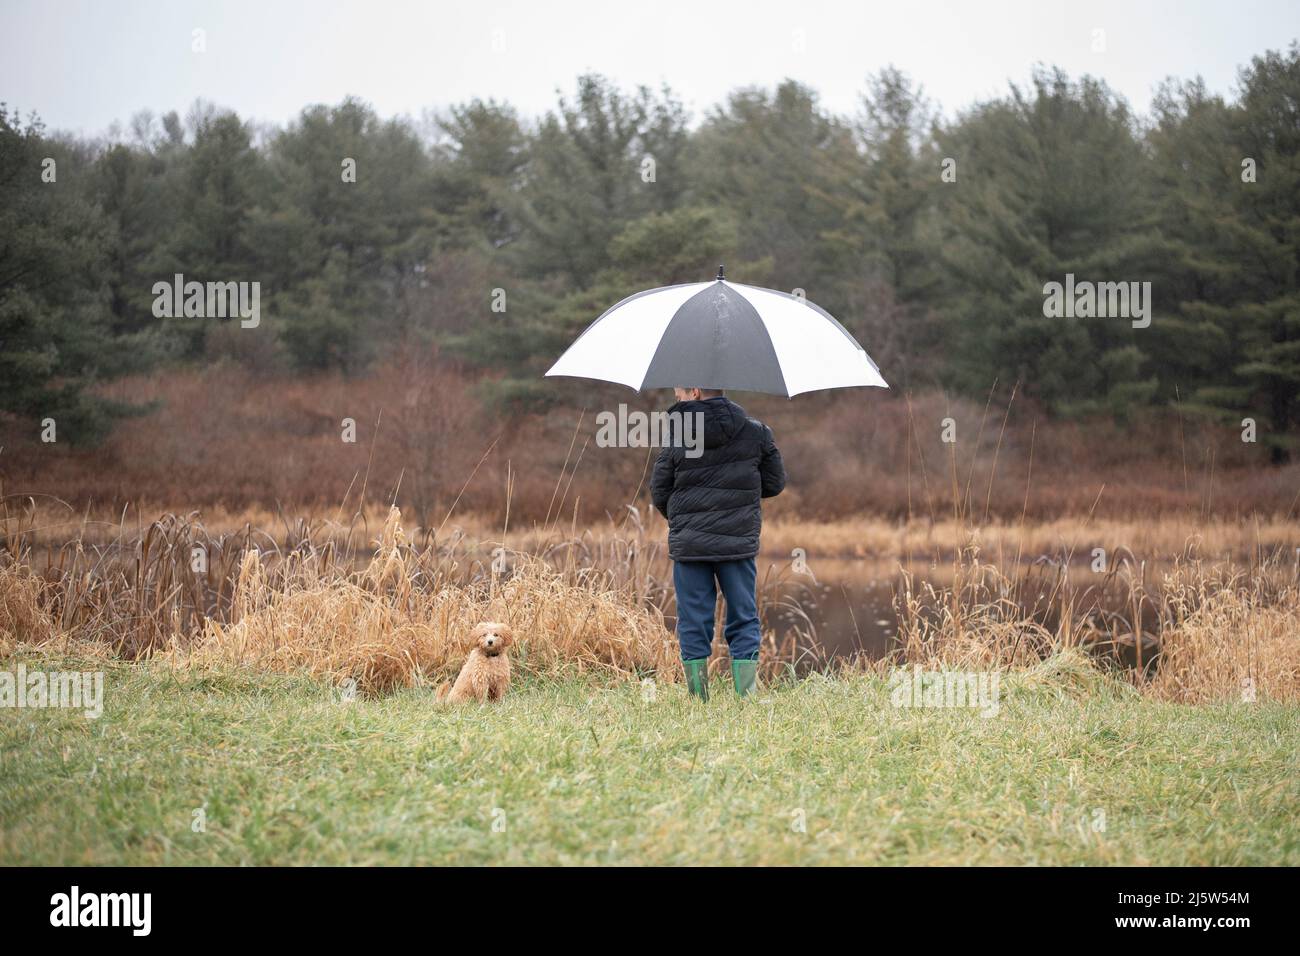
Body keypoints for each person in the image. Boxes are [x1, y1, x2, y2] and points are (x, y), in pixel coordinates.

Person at [650, 386, 786, 699]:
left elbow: (660, 491)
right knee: (743, 614)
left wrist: (684, 518)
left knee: (693, 618)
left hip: (690, 545)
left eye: (680, 392)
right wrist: (739, 497)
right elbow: (775, 483)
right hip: (737, 543)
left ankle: (699, 698)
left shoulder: (677, 435)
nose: (677, 398)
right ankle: (747, 696)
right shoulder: (757, 433)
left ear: (695, 392)